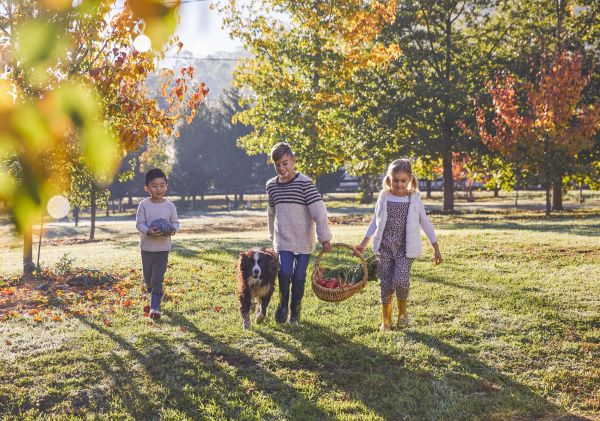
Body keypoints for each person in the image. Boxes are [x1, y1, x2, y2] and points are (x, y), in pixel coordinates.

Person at [354, 159, 442, 331]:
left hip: (405, 249)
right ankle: (385, 320)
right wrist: (364, 244)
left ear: (410, 179)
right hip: (384, 248)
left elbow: (425, 223)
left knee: (401, 281)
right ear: (389, 179)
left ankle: (402, 313)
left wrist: (436, 248)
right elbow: (375, 222)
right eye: (395, 180)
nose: (399, 184)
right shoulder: (384, 197)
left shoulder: (414, 199)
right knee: (386, 283)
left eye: (403, 181)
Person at [266, 142, 333, 323]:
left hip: (304, 241)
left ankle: (295, 311)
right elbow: (271, 213)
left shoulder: (305, 183)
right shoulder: (271, 186)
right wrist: (273, 236)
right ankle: (282, 305)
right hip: (283, 240)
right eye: (277, 164)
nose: (281, 168)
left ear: (293, 160)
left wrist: (324, 237)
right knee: (285, 273)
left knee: (298, 278)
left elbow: (319, 211)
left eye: (285, 163)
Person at [135, 168, 179, 320]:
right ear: (146, 188)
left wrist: (173, 229)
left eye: (162, 185)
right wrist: (148, 231)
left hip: (162, 249)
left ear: (166, 186)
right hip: (146, 248)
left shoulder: (170, 206)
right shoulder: (144, 205)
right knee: (148, 279)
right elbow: (139, 224)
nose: (158, 188)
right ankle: (154, 291)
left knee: (157, 278)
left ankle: (155, 307)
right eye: (154, 185)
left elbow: (175, 222)